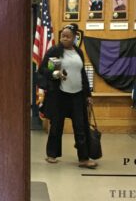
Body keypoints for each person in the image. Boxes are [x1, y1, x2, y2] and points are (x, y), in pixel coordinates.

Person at [37, 24, 97, 168]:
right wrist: (54, 74)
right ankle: (52, 154)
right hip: (60, 95)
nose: (64, 38)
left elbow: (82, 74)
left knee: (80, 126)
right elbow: (43, 69)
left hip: (77, 96)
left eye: (68, 36)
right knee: (57, 125)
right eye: (63, 35)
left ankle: (83, 158)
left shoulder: (78, 52)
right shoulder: (55, 51)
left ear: (74, 37)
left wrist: (88, 94)